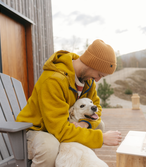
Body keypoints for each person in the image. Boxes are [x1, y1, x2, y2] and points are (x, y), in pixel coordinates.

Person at [16, 39, 122, 167]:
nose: (98, 80)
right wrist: (102, 138)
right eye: (99, 74)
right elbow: (59, 130)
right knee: (49, 146)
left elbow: (97, 108)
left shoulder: (88, 81)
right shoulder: (53, 80)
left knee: (99, 126)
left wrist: (85, 123)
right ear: (90, 63)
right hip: (35, 130)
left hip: (59, 127)